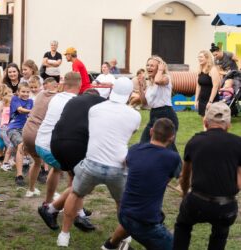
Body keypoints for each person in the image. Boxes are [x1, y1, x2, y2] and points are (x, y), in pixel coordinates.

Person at [56, 77, 141, 247]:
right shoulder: (135, 115)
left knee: (76, 193)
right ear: (130, 94)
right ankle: (124, 236)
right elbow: (126, 135)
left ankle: (64, 235)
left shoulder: (95, 109)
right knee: (121, 202)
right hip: (117, 167)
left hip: (91, 164)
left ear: (111, 90)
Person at [103, 118, 180, 250]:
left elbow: (127, 163)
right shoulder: (172, 158)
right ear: (171, 138)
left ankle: (110, 246)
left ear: (151, 132)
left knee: (137, 220)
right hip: (145, 222)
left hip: (124, 213)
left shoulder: (134, 150)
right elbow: (169, 179)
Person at [173, 102, 241, 250]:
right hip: (226, 206)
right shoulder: (239, 143)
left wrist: (185, 194)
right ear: (228, 124)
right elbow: (239, 181)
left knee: (182, 226)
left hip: (197, 201)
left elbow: (185, 176)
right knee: (220, 233)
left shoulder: (195, 141)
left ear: (205, 122)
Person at [38, 88, 105, 232]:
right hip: (68, 146)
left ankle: (64, 210)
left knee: (78, 180)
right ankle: (55, 210)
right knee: (83, 180)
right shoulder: (91, 110)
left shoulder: (74, 104)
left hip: (57, 144)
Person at [35, 72, 81, 206]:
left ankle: (48, 202)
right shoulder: (75, 101)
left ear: (64, 84)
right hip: (51, 148)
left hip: (40, 143)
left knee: (56, 169)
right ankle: (72, 208)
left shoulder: (56, 97)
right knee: (77, 172)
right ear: (80, 84)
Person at [139, 56, 180, 175]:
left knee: (168, 146)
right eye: (148, 65)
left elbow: (158, 80)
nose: (149, 67)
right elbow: (144, 103)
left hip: (166, 114)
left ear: (159, 67)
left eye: (152, 65)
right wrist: (142, 88)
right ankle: (144, 169)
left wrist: (161, 70)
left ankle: (181, 174)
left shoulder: (166, 78)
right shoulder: (151, 83)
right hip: (154, 115)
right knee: (144, 142)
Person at [22, 77, 59, 197]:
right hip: (38, 134)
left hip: (27, 131)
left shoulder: (40, 94)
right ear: (56, 86)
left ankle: (31, 190)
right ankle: (52, 194)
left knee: (37, 162)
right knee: (56, 165)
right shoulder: (57, 99)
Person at [8, 82, 33, 186]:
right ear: (18, 92)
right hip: (13, 129)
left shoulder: (31, 101)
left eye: (27, 92)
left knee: (31, 146)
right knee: (21, 145)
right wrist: (33, 111)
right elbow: (21, 110)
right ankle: (19, 176)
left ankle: (27, 164)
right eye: (23, 91)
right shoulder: (15, 99)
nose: (25, 94)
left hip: (25, 129)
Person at [195, 50, 220, 117]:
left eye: (201, 57)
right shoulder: (199, 70)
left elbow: (215, 86)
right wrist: (196, 100)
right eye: (198, 57)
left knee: (213, 122)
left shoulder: (213, 69)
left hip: (211, 100)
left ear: (207, 58)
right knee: (205, 122)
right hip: (202, 100)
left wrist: (210, 101)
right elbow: (198, 86)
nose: (199, 59)